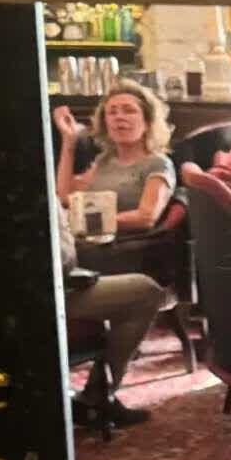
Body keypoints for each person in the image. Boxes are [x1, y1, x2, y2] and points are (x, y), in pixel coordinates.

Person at [57, 197, 164, 428]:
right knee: (145, 292)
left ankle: (99, 393)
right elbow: (62, 260)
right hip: (51, 294)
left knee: (142, 289)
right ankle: (99, 397)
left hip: (57, 285)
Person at [54, 80, 176, 231]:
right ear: (106, 124)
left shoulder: (158, 163)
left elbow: (146, 217)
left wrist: (88, 221)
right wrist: (69, 141)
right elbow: (66, 198)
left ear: (147, 122)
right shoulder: (103, 161)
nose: (119, 117)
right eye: (112, 112)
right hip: (89, 237)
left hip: (124, 242)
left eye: (129, 111)